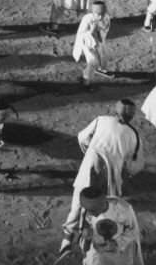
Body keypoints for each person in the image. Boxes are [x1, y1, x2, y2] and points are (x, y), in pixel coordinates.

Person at [59, 101, 144, 252]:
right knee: (105, 210)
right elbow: (135, 166)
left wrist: (89, 154)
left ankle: (67, 239)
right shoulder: (134, 136)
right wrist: (125, 171)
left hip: (89, 167)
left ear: (115, 111)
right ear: (131, 116)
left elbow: (82, 137)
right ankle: (95, 240)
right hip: (111, 178)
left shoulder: (101, 120)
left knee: (77, 204)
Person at [61, 186, 144, 265]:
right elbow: (85, 242)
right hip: (98, 257)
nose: (89, 213)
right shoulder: (87, 210)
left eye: (92, 211)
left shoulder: (122, 209)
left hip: (120, 256)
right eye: (87, 210)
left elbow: (133, 231)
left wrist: (116, 243)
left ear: (102, 203)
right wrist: (86, 238)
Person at [73, 1, 112, 87]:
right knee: (93, 61)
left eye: (102, 14)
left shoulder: (106, 18)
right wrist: (91, 30)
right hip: (86, 43)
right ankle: (85, 80)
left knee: (103, 55)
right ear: (93, 13)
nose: (100, 16)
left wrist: (100, 28)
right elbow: (81, 34)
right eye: (98, 14)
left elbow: (104, 30)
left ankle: (100, 69)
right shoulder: (87, 19)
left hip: (97, 40)